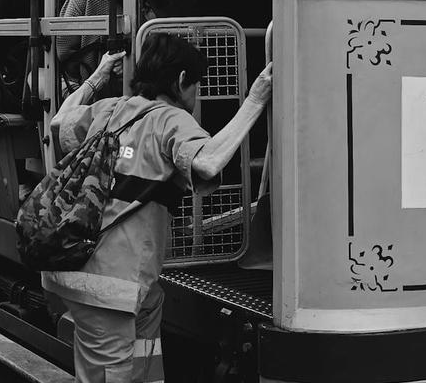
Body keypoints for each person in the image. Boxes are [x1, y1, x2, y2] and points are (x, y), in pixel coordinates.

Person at [41, 33, 272, 383]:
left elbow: (60, 121)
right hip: (109, 287)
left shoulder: (110, 109)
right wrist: (255, 100)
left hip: (89, 271)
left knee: (148, 331)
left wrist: (98, 77)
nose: (195, 96)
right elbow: (208, 163)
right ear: (181, 80)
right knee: (109, 376)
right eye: (196, 85)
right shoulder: (170, 119)